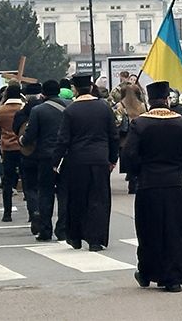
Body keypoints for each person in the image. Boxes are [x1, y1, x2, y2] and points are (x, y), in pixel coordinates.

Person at [124, 81, 182, 292]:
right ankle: (176, 275)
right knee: (176, 231)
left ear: (150, 101)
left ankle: (149, 272)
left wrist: (138, 173)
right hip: (176, 186)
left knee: (149, 231)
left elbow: (129, 154)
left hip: (149, 185)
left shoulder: (140, 124)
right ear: (167, 100)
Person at [52, 73, 120, 251]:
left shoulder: (71, 111)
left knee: (77, 199)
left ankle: (75, 237)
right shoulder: (104, 108)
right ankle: (96, 240)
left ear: (75, 89)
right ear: (91, 87)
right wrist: (113, 159)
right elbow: (113, 136)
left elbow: (63, 139)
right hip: (100, 159)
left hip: (77, 160)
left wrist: (56, 161)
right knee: (99, 199)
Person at [21, 80, 70, 242]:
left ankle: (45, 229)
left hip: (45, 157)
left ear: (44, 93)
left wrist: (22, 140)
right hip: (65, 157)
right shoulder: (70, 107)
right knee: (64, 194)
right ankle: (62, 229)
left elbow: (31, 135)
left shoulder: (38, 110)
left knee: (45, 194)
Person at [13, 81, 46, 229]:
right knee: (44, 187)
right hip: (45, 154)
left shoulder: (22, 113)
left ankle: (34, 211)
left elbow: (15, 130)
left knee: (30, 187)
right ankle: (44, 213)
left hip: (27, 153)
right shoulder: (47, 109)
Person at [0, 84, 26, 222]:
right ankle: (32, 212)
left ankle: (7, 213)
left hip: (7, 148)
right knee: (27, 180)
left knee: (7, 181)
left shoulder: (1, 111)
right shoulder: (24, 108)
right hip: (23, 147)